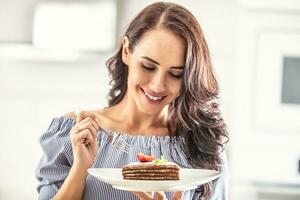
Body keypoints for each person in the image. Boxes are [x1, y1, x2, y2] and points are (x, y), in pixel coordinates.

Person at [36, 2, 229, 200]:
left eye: (175, 74)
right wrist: (80, 169)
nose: (157, 86)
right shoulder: (74, 133)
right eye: (148, 66)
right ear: (126, 51)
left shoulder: (203, 144)